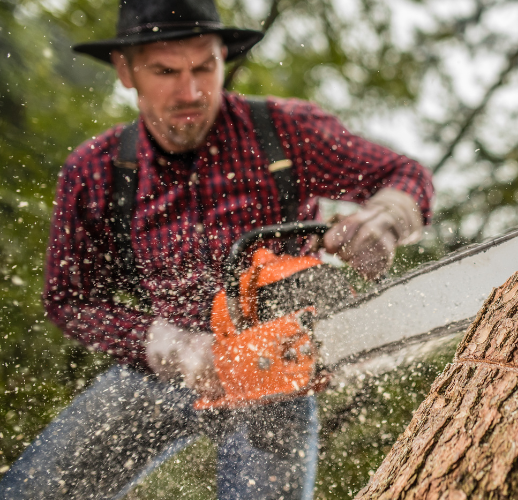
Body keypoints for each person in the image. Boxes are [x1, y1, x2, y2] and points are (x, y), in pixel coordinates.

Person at [0, 1, 433, 499]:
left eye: (204, 67)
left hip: (276, 371)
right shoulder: (97, 172)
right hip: (163, 372)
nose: (190, 91)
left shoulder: (283, 131)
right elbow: (68, 299)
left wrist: (386, 219)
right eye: (165, 71)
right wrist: (164, 343)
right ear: (126, 70)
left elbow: (405, 174)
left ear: (224, 58)